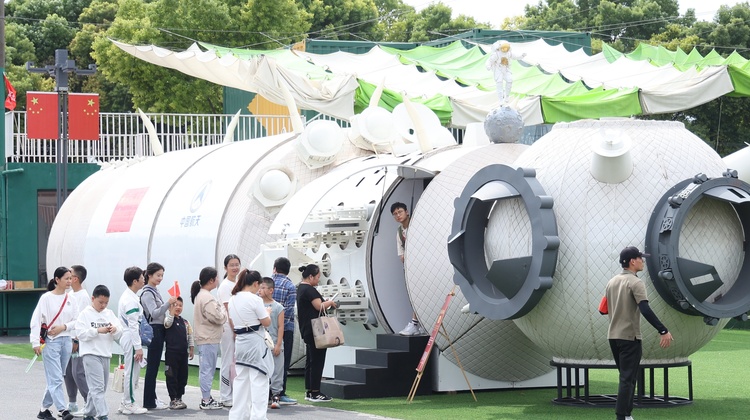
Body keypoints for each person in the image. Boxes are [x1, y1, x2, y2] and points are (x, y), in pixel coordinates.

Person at [605, 246, 674, 420]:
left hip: (613, 336)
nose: (643, 261)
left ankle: (627, 415)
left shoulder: (612, 282)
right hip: (630, 337)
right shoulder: (636, 283)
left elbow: (603, 309)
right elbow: (645, 309)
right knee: (627, 379)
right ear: (632, 261)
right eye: (640, 258)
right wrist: (663, 330)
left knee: (627, 377)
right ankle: (621, 416)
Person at [30, 267, 78, 420]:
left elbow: (77, 320)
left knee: (57, 377)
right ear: (57, 279)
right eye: (66, 278)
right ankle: (63, 410)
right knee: (56, 378)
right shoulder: (46, 298)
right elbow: (36, 320)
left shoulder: (72, 299)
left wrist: (63, 327)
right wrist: (35, 342)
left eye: (70, 278)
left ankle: (44, 409)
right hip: (50, 343)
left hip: (66, 341)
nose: (69, 281)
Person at [227, 269, 272, 420]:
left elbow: (232, 321)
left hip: (240, 341)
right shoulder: (255, 300)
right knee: (259, 380)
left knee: (241, 380)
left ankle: (238, 416)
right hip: (254, 341)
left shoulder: (233, 299)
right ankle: (258, 417)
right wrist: (268, 312)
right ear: (255, 283)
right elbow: (266, 322)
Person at [75, 284, 123, 420]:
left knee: (99, 387)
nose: (103, 305)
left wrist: (115, 329)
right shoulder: (85, 314)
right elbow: (80, 334)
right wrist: (97, 331)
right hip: (90, 354)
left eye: (106, 303)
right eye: (100, 302)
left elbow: (120, 330)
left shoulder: (109, 314)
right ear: (93, 299)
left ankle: (88, 413)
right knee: (97, 387)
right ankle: (102, 414)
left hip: (105, 354)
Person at [296, 264, 337, 402]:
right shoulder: (309, 290)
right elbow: (319, 306)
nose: (318, 280)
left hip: (307, 329)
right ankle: (315, 392)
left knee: (310, 360)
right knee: (317, 361)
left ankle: (310, 390)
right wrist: (330, 302)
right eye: (318, 277)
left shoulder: (301, 288)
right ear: (311, 276)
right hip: (316, 330)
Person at [140, 262, 177, 410]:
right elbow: (154, 313)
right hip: (154, 329)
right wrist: (167, 303)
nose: (160, 278)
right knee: (152, 367)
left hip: (159, 329)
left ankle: (152, 398)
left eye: (162, 275)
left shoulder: (154, 290)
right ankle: (149, 401)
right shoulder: (147, 293)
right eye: (158, 275)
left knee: (154, 366)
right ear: (149, 275)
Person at [191, 266, 227, 410]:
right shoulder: (207, 297)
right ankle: (206, 400)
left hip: (206, 338)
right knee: (207, 369)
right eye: (216, 277)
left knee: (206, 368)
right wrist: (223, 313)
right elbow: (217, 317)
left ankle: (206, 398)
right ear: (211, 280)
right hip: (208, 338)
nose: (218, 280)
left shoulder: (201, 295)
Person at [117, 266, 149, 415]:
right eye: (142, 278)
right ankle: (129, 403)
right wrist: (138, 347)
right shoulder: (130, 300)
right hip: (130, 337)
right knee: (130, 372)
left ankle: (126, 402)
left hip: (130, 337)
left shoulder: (131, 296)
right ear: (135, 281)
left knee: (133, 371)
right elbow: (133, 325)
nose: (144, 280)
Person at [391, 202, 422, 336]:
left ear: (407, 212)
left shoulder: (417, 225)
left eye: (400, 212)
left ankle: (415, 324)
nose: (398, 215)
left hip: (423, 266)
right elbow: (402, 256)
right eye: (395, 214)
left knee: (419, 295)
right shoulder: (399, 232)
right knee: (416, 296)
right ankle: (417, 324)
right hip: (412, 269)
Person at [270, 256, 298, 405]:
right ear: (288, 270)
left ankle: (267, 392)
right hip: (285, 328)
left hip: (267, 328)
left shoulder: (266, 283)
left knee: (267, 360)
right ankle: (280, 393)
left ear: (274, 268)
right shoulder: (290, 286)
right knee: (283, 361)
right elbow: (288, 310)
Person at [64, 264, 90, 417]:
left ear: (75, 278)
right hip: (66, 338)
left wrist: (76, 340)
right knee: (68, 372)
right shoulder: (70, 294)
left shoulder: (83, 296)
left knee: (78, 372)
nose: (67, 277)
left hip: (77, 340)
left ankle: (89, 402)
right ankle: (72, 402)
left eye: (70, 274)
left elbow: (82, 321)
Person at [218, 254, 241, 407]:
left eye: (237, 264)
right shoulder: (225, 286)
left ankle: (234, 393)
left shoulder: (238, 283)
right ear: (225, 267)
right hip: (228, 326)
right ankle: (225, 395)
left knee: (235, 361)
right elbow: (228, 310)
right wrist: (234, 329)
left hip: (237, 326)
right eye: (231, 265)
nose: (235, 267)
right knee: (227, 360)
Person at [164, 296, 194, 410]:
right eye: (175, 305)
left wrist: (191, 348)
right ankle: (173, 399)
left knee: (183, 376)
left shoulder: (185, 322)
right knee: (171, 376)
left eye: (180, 305)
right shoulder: (167, 319)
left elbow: (190, 336)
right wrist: (171, 313)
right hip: (171, 354)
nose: (178, 307)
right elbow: (168, 323)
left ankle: (179, 397)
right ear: (169, 307)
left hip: (183, 354)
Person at [259, 277, 285, 409]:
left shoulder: (278, 307)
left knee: (277, 370)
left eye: (263, 288)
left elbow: (281, 327)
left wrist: (278, 344)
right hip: (260, 344)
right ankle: (261, 395)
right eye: (259, 287)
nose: (260, 290)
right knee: (261, 370)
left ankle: (276, 395)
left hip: (274, 342)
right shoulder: (257, 305)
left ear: (271, 290)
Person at [485, 40, 526, 104]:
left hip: (506, 69)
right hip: (498, 69)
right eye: (504, 48)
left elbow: (515, 56)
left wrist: (521, 56)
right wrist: (488, 66)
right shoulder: (496, 54)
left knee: (509, 80)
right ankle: (500, 100)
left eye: (506, 48)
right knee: (499, 83)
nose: (505, 49)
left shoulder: (509, 53)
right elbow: (490, 61)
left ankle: (507, 96)